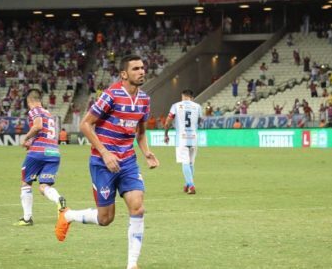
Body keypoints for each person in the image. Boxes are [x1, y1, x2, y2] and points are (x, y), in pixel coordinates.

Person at [54, 55, 159, 269]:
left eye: (142, 68)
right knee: (105, 219)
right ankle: (69, 215)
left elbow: (140, 132)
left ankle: (132, 264)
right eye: (136, 68)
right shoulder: (110, 95)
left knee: (138, 209)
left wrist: (146, 152)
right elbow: (85, 125)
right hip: (103, 163)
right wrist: (104, 153)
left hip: (128, 162)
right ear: (124, 74)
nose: (142, 71)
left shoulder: (145, 100)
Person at [15, 89, 65, 226]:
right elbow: (46, 134)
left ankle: (27, 218)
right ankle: (58, 199)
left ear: (28, 101)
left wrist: (25, 138)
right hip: (54, 152)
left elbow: (37, 126)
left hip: (38, 153)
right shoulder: (48, 114)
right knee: (44, 186)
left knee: (26, 183)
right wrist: (32, 142)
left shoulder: (34, 110)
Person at [164, 90, 203, 194]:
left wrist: (166, 134)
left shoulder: (176, 106)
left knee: (185, 163)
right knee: (191, 164)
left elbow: (168, 121)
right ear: (192, 97)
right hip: (193, 138)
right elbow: (200, 120)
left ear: (182, 96)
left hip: (181, 139)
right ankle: (187, 184)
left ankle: (191, 186)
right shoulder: (198, 106)